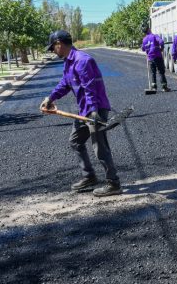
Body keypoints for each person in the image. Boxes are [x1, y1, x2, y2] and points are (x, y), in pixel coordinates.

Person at [40, 30, 122, 196]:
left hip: (95, 109)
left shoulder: (83, 60)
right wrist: (50, 98)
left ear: (59, 44)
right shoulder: (69, 62)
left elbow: (90, 89)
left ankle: (113, 183)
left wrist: (93, 114)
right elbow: (65, 84)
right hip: (84, 110)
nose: (53, 52)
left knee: (100, 147)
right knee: (75, 141)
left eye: (53, 48)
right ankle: (89, 177)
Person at [141, 26, 169, 92]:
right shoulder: (154, 36)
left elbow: (142, 48)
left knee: (153, 73)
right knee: (161, 71)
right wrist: (161, 49)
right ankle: (164, 87)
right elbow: (161, 42)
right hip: (157, 56)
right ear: (149, 29)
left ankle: (154, 87)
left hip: (150, 58)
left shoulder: (144, 39)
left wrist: (147, 48)